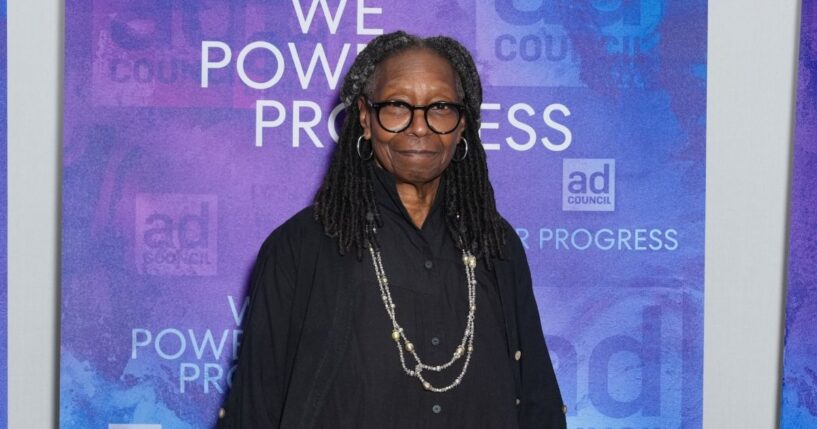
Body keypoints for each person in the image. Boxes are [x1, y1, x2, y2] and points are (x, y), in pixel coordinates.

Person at [216, 31, 566, 429]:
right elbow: (253, 410)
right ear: (365, 117)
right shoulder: (300, 248)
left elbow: (538, 401)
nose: (420, 127)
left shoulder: (496, 246)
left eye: (440, 107)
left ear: (462, 122)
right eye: (398, 106)